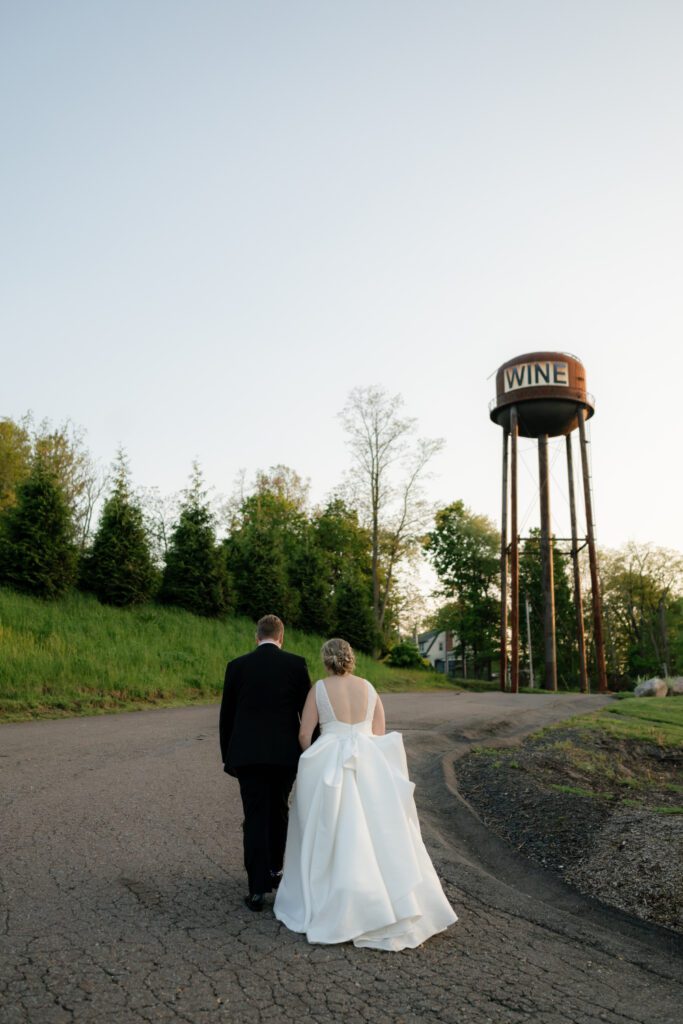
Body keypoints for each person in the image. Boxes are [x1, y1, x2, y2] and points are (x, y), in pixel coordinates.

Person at [274, 638, 457, 950]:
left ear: (326, 660)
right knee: (377, 831)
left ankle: (338, 900)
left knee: (333, 830)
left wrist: (318, 754)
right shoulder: (369, 688)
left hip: (331, 760)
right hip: (367, 760)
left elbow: (305, 733)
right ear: (350, 659)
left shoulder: (319, 688)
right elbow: (379, 733)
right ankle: (388, 900)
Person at [219, 614, 311, 911]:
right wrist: (313, 753)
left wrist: (229, 758)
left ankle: (256, 889)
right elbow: (306, 715)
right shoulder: (296, 665)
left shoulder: (237, 666)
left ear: (257, 637)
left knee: (255, 815)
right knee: (279, 811)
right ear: (281, 638)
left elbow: (226, 718)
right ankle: (275, 872)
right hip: (285, 756)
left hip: (247, 756)